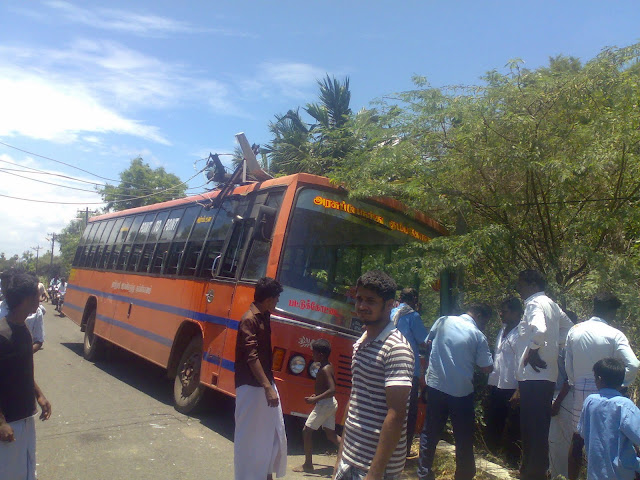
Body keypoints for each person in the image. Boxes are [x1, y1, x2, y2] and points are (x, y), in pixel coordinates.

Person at [333, 270, 414, 480]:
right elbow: (355, 400)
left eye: (370, 301)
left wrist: (375, 473)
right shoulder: (362, 341)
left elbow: (396, 415)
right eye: (359, 299)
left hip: (374, 469)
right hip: (349, 460)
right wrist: (340, 458)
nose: (361, 306)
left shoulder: (397, 349)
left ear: (389, 305)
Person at [565, 293, 640, 480]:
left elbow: (568, 365)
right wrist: (619, 383)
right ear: (611, 311)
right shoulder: (614, 334)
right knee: (610, 438)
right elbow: (633, 365)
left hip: (581, 389)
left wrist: (576, 381)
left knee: (577, 440)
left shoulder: (575, 330)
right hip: (608, 387)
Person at [417, 303, 494, 480]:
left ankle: (424, 473)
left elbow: (427, 342)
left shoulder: (443, 321)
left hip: (436, 386)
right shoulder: (478, 335)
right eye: (485, 322)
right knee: (463, 437)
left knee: (430, 433)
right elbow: (486, 367)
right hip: (461, 393)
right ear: (480, 316)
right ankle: (464, 475)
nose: (484, 326)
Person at [515, 269, 573, 480]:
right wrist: (551, 347)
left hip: (533, 375)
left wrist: (533, 351)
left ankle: (532, 473)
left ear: (532, 284)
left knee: (531, 427)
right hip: (547, 375)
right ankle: (534, 471)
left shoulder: (533, 304)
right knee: (539, 426)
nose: (518, 288)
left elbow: (539, 329)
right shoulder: (552, 304)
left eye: (521, 283)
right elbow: (569, 329)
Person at [0, 271, 52, 480]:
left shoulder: (22, 330)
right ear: (27, 299)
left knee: (26, 470)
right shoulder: (2, 334)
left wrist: (39, 395)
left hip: (25, 417)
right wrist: (1, 422)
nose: (40, 299)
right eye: (37, 295)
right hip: (9, 420)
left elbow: (23, 369)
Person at [234, 277, 286, 480]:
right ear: (268, 299)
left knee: (272, 432)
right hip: (251, 386)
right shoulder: (249, 319)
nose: (277, 302)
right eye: (276, 298)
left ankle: (265, 473)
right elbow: (251, 356)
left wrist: (268, 385)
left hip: (264, 383)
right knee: (249, 438)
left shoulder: (264, 316)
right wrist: (267, 387)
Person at [577, 357, 640, 480]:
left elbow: (583, 432)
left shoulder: (590, 401)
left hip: (595, 473)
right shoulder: (625, 406)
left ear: (599, 379)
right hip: (621, 474)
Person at [390, 287, 429, 458]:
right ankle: (403, 450)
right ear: (414, 299)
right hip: (408, 368)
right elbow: (423, 341)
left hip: (389, 365)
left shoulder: (391, 312)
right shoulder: (413, 316)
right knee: (409, 411)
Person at [293, 339, 341, 473]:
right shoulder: (328, 366)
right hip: (330, 403)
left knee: (307, 431)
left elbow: (332, 389)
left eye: (313, 352)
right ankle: (351, 455)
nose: (312, 355)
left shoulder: (324, 369)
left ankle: (308, 465)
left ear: (320, 354)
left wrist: (315, 399)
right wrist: (317, 395)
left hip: (325, 405)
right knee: (331, 435)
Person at [485, 296, 522, 467]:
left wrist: (519, 390)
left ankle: (512, 462)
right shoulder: (502, 330)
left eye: (504, 311)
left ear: (516, 313)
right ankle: (492, 456)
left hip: (512, 386)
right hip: (496, 384)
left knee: (513, 426)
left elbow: (523, 363)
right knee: (494, 421)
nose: (501, 314)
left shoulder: (521, 333)